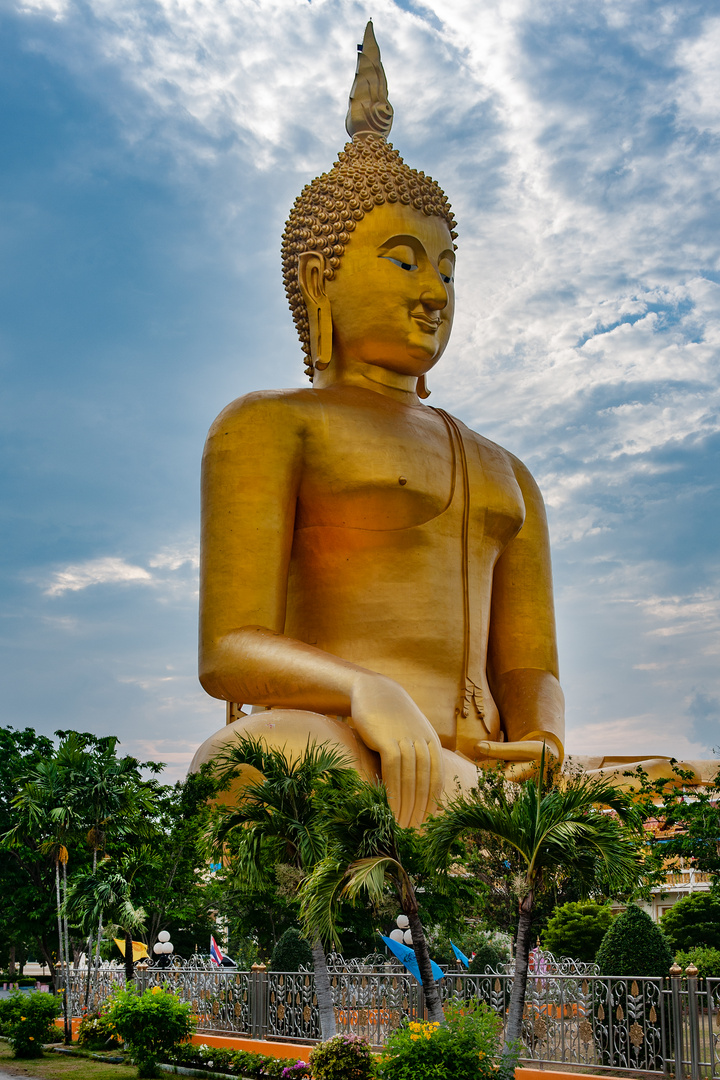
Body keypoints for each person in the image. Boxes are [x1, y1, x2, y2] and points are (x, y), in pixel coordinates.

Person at [192, 23, 565, 827]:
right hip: (343, 745)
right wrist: (365, 689)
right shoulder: (267, 427)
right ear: (318, 278)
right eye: (405, 260)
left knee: (665, 781)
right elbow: (228, 651)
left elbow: (531, 665)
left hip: (485, 766)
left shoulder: (507, 469)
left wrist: (544, 737)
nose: (434, 290)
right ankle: (477, 824)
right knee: (248, 760)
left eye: (447, 269)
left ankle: (485, 811)